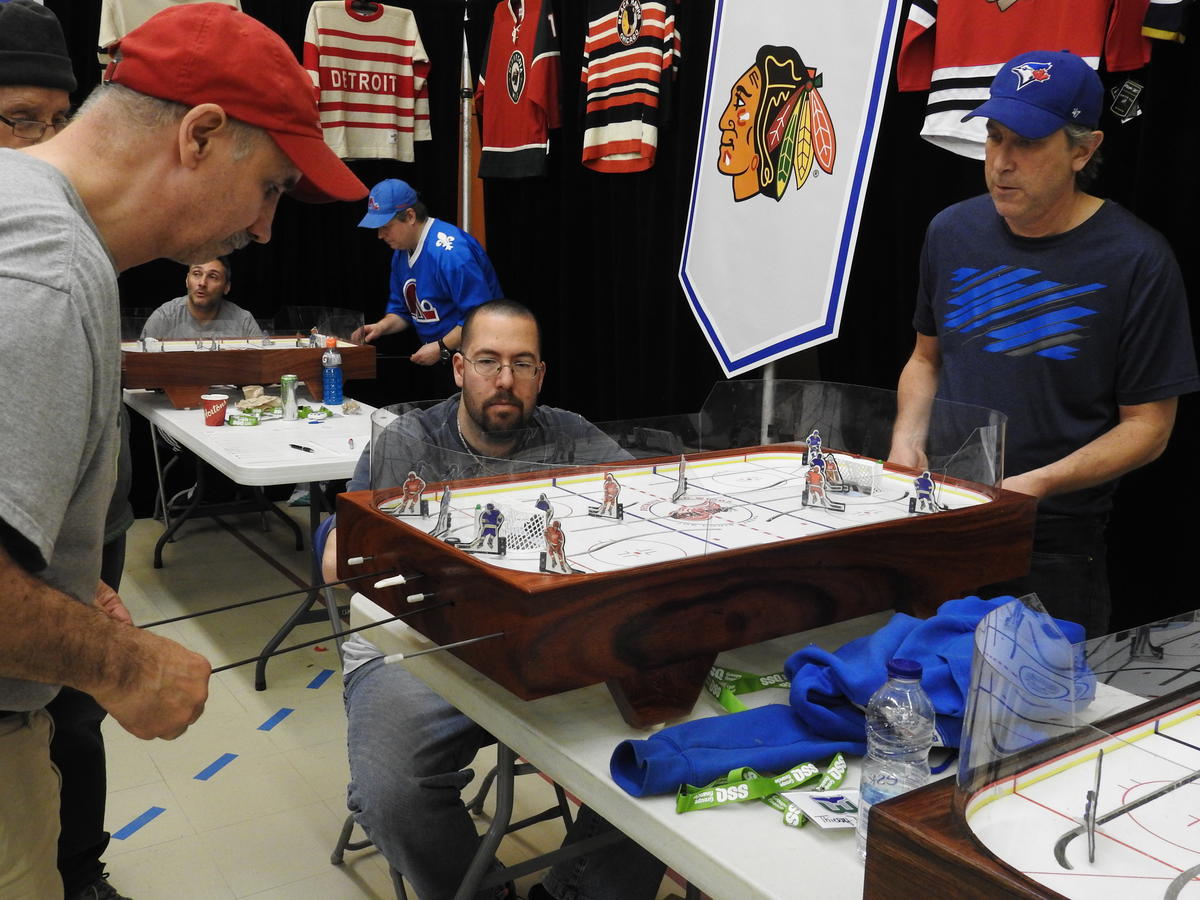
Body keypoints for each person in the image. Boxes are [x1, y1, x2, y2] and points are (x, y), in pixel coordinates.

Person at [0, 4, 366, 896]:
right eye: (273, 185)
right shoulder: (47, 267)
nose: (268, 227)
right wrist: (123, 665)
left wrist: (50, 577)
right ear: (201, 134)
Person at [322, 300, 666, 900]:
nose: (504, 380)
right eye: (487, 362)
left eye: (521, 364)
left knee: (665, 748)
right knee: (390, 791)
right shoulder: (406, 441)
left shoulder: (571, 433)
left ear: (540, 374)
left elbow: (649, 507)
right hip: (416, 647)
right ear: (458, 370)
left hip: (547, 644)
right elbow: (335, 561)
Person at [889, 49, 1200, 637]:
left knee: (1038, 721)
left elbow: (1150, 428)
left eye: (1027, 144)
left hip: (1051, 541)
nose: (1001, 163)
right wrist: (906, 440)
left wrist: (1038, 484)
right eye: (994, 137)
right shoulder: (951, 231)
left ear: (1083, 150)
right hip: (939, 516)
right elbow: (926, 358)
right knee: (911, 706)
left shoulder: (1136, 259)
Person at [353, 178, 503, 365]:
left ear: (410, 216)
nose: (380, 235)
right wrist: (381, 327)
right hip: (445, 355)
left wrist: (441, 346)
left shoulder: (452, 254)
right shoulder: (401, 251)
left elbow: (481, 318)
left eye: (385, 227)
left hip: (480, 357)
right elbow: (402, 311)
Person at [141, 255, 259, 340]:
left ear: (226, 287)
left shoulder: (244, 321)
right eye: (197, 274)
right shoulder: (164, 317)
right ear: (187, 280)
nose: (202, 283)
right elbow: (141, 364)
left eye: (213, 276)